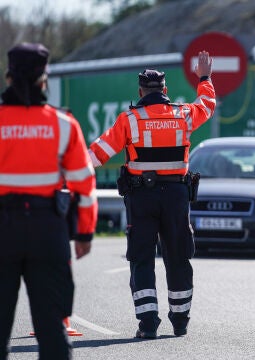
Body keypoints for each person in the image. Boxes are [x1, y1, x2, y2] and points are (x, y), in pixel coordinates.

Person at [88, 51, 216, 339]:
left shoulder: (129, 120)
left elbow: (98, 154)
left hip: (141, 198)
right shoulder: (183, 115)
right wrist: (204, 78)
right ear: (165, 91)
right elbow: (207, 106)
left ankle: (147, 324)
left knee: (142, 258)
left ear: (140, 92)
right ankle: (180, 321)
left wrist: (64, 170)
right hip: (176, 197)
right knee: (178, 256)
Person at [0, 43, 97, 359]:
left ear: (9, 78)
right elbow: (84, 183)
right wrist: (83, 234)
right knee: (52, 329)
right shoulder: (64, 124)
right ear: (45, 80)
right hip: (48, 232)